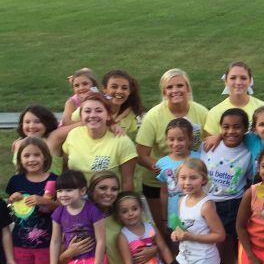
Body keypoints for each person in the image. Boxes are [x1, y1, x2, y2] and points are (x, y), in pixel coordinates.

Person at [135, 69, 209, 230]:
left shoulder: (201, 112)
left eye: (180, 85)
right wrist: (166, 168)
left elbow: (211, 142)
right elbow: (141, 155)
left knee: (197, 226)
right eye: (169, 87)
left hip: (194, 181)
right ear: (164, 92)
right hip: (159, 183)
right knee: (165, 228)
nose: (175, 90)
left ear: (188, 88)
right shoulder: (154, 116)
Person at [6, 137, 61, 264]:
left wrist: (45, 201)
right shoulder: (15, 181)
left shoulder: (54, 179)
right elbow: (11, 212)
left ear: (45, 157)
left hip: (48, 243)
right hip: (21, 243)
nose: (32, 159)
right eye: (26, 155)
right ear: (20, 158)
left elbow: (61, 207)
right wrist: (12, 200)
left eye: (37, 155)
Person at [203, 108, 252, 264]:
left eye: (237, 127)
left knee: (241, 253)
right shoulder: (208, 146)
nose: (231, 131)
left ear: (245, 129)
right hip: (209, 207)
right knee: (216, 258)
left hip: (235, 205)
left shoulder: (248, 151)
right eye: (226, 127)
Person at [61, 91, 137, 191]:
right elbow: (66, 170)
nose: (92, 115)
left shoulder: (122, 141)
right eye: (87, 111)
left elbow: (127, 181)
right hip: (77, 200)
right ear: (81, 115)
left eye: (99, 111)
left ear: (108, 115)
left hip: (107, 200)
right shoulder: (73, 134)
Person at [203, 61, 264, 140]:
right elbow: (209, 146)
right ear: (226, 81)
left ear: (250, 81)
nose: (238, 82)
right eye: (233, 78)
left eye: (243, 78)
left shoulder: (263, 107)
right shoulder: (214, 113)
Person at [155, 118, 200, 233]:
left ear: (190, 139)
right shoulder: (162, 163)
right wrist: (164, 219)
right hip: (174, 217)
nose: (175, 144)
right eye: (171, 139)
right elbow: (164, 192)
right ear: (166, 140)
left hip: (197, 216)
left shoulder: (200, 158)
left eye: (181, 139)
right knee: (176, 247)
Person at [11, 105, 63, 172]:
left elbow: (79, 123)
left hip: (51, 182)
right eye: (27, 122)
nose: (31, 126)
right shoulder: (18, 143)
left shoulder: (53, 139)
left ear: (47, 123)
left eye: (37, 122)